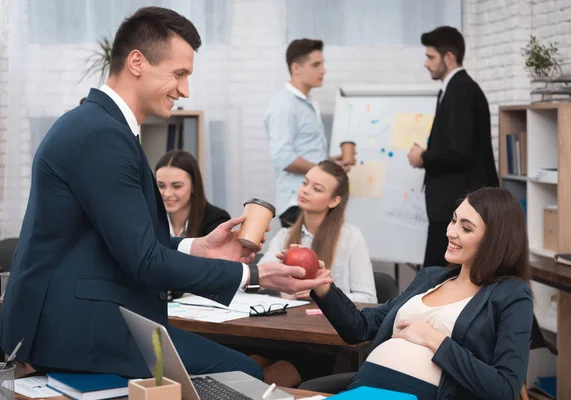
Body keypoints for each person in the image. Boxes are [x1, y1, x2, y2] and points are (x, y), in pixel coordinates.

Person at [0, 6, 332, 380]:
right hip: (79, 331)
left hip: (87, 319)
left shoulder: (101, 127)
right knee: (240, 372)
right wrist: (253, 276)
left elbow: (126, 243)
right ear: (137, 62)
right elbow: (143, 262)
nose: (185, 89)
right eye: (179, 74)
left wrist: (199, 247)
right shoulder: (102, 135)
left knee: (238, 366)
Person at [303, 187, 533, 399]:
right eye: (453, 220)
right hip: (365, 389)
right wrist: (323, 286)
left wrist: (434, 339)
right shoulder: (430, 278)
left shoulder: (511, 295)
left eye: (465, 228)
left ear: (494, 240)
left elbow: (504, 389)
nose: (451, 232)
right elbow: (359, 327)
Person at [250, 160, 377, 387]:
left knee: (270, 379)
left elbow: (369, 300)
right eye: (305, 183)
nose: (305, 191)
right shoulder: (285, 235)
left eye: (317, 189)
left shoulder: (350, 238)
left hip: (324, 343)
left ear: (334, 200)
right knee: (248, 367)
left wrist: (324, 295)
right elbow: (260, 279)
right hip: (281, 335)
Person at [407, 26, 499, 268]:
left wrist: (423, 157)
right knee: (436, 277)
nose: (426, 64)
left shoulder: (461, 89)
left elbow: (460, 152)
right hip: (453, 204)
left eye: (430, 57)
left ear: (448, 57)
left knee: (434, 278)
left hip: (457, 204)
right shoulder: (454, 89)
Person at [265, 39, 354, 229]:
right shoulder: (284, 105)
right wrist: (323, 172)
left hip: (311, 201)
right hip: (297, 203)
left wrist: (329, 162)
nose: (323, 71)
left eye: (323, 64)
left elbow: (304, 151)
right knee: (303, 259)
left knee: (321, 257)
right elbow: (284, 158)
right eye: (316, 64)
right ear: (296, 68)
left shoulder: (305, 103)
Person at [155, 149, 230, 238]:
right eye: (161, 186)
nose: (167, 194)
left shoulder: (217, 221)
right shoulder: (148, 219)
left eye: (177, 186)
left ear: (193, 186)